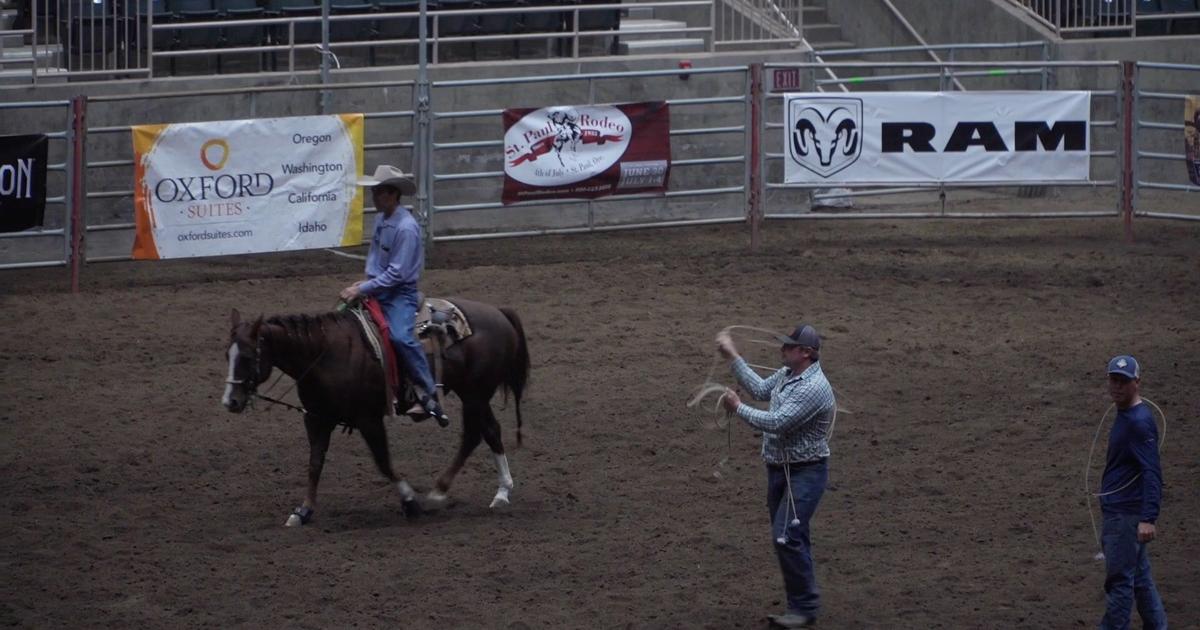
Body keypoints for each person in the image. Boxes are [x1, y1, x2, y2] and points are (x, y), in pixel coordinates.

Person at [717, 324, 836, 629]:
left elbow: (778, 423)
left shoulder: (813, 388)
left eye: (789, 346)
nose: (782, 349)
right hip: (783, 468)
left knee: (786, 536)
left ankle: (804, 608)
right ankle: (802, 604)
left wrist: (738, 408)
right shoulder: (788, 375)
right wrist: (733, 356)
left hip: (805, 472)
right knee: (792, 537)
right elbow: (759, 390)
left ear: (806, 353)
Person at [340, 165, 450, 427]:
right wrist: (365, 283)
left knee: (401, 337)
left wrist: (362, 288)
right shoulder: (382, 220)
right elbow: (378, 260)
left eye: (377, 192)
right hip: (379, 287)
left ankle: (428, 391)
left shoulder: (406, 228)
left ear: (392, 195)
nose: (373, 197)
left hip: (400, 294)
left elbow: (398, 274)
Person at [1098, 355, 1166, 630]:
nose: (1117, 387)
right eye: (1113, 380)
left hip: (1124, 515)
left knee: (1120, 582)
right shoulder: (1128, 415)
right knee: (1139, 578)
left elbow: (1152, 471)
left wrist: (1149, 517)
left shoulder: (1137, 423)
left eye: (1123, 382)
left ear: (1137, 383)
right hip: (1125, 511)